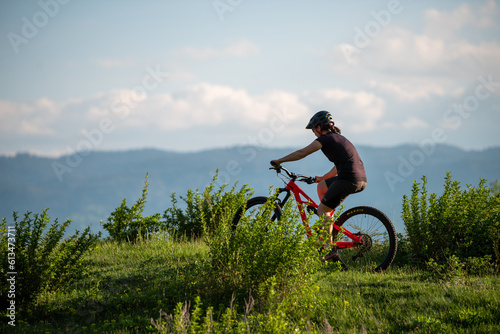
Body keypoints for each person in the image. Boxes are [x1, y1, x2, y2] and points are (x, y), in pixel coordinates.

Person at [270, 110, 367, 268]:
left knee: (323, 210)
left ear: (319, 128)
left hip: (348, 179)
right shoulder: (339, 138)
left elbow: (303, 152)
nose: (314, 133)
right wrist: (323, 178)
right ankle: (326, 228)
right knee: (322, 187)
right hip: (359, 179)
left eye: (314, 130)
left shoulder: (325, 139)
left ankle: (329, 249)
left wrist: (279, 161)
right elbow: (339, 165)